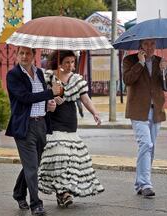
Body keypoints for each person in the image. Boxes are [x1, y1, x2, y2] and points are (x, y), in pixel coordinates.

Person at [38, 50, 104, 207]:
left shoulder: (76, 80)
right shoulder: (48, 77)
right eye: (67, 62)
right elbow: (40, 96)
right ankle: (63, 192)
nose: (70, 65)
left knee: (71, 159)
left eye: (73, 62)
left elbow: (86, 99)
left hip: (70, 123)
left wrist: (95, 113)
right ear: (59, 62)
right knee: (59, 156)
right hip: (53, 123)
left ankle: (63, 193)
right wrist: (51, 97)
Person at [6, 46, 61, 215]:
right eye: (21, 53)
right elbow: (25, 98)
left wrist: (49, 104)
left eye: (27, 53)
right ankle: (36, 204)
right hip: (24, 126)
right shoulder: (13, 75)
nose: (24, 56)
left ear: (33, 55)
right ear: (17, 55)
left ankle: (18, 192)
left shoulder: (39, 73)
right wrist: (49, 93)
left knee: (33, 164)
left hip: (41, 124)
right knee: (31, 167)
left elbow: (41, 99)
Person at [123, 39, 167, 198]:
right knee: (146, 143)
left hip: (156, 110)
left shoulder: (160, 61)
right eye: (146, 44)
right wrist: (140, 63)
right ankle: (146, 184)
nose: (150, 47)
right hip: (138, 110)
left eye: (152, 44)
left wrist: (164, 71)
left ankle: (140, 183)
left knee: (150, 147)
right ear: (140, 45)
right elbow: (127, 80)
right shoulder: (129, 60)